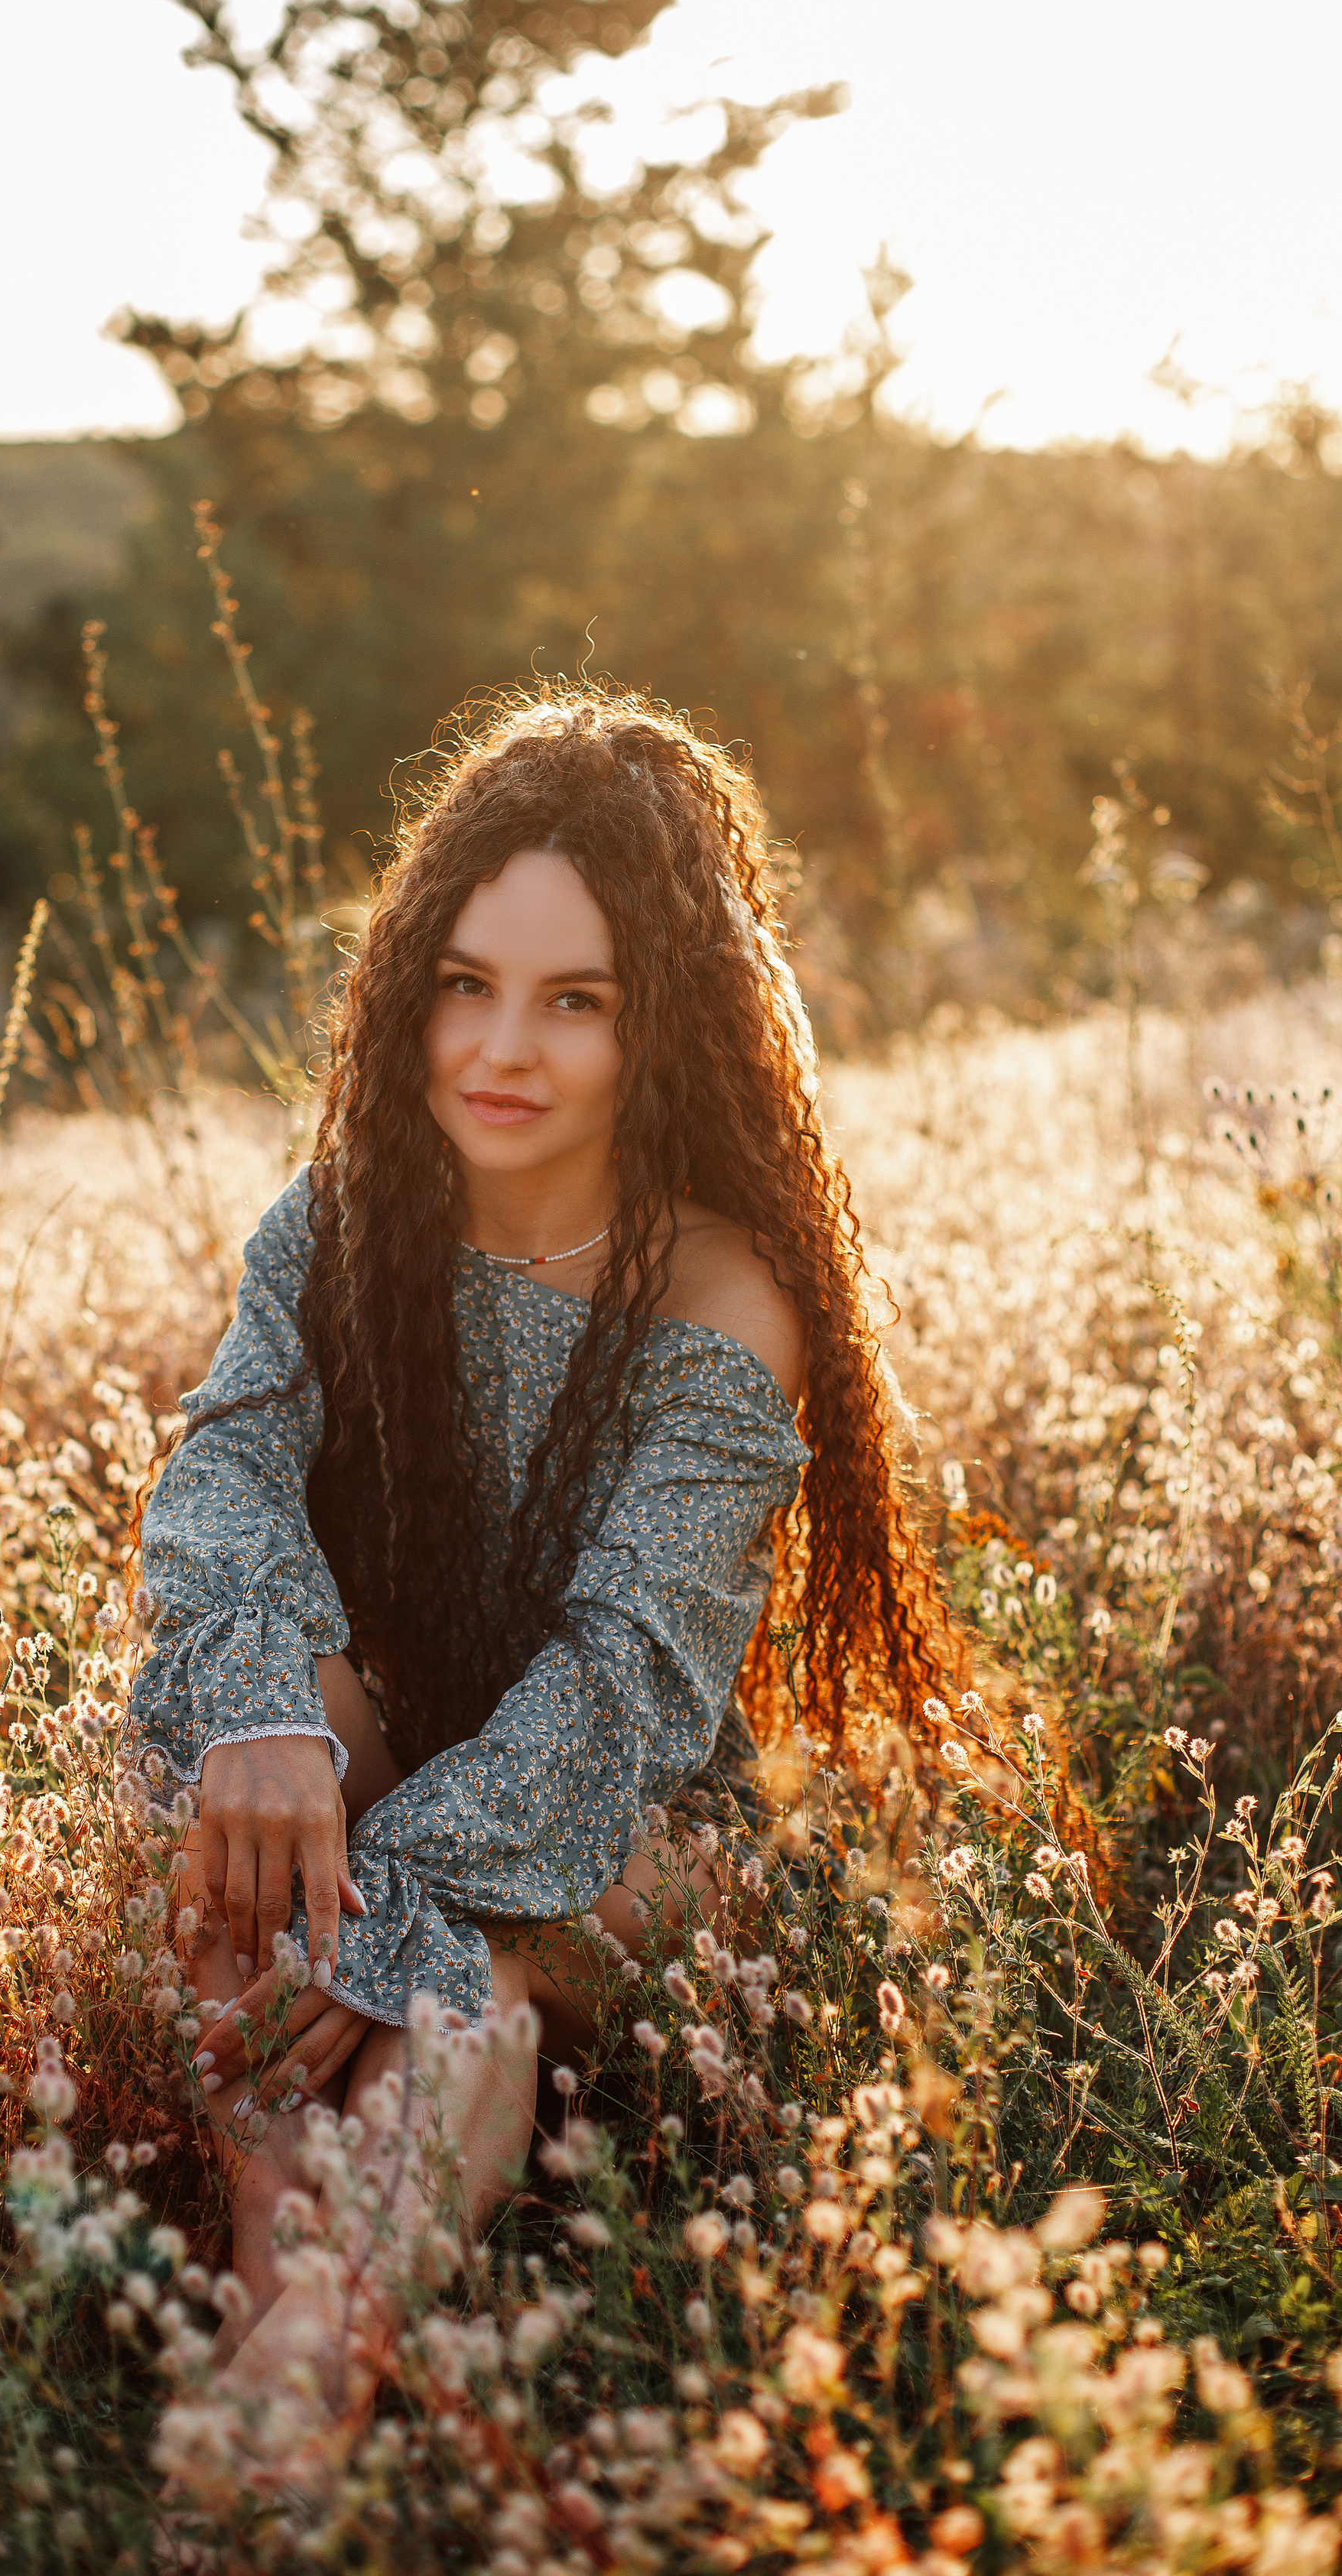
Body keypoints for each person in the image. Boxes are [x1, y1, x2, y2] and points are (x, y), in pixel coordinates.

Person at [127, 692, 959, 2469]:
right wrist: (270, 1715)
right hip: (385, 1754)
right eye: (465, 982)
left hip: (623, 1827)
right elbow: (225, 1463)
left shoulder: (725, 1296)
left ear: (661, 1028)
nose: (500, 1047)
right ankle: (281, 2266)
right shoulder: (349, 1208)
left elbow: (626, 1685)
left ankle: (305, 2356)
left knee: (471, 1982)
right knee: (248, 1798)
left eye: (573, 1000)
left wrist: (391, 1908)